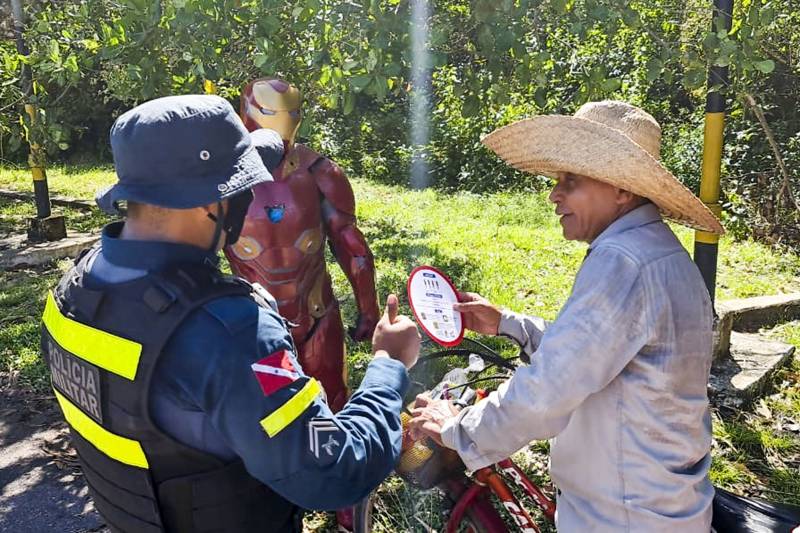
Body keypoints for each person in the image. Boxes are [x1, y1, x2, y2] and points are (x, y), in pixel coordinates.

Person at [40, 94, 420, 533]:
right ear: (210, 202)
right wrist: (388, 366)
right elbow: (333, 470)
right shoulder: (233, 333)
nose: (247, 197)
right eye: (241, 186)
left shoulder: (77, 288)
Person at [409, 100, 724, 532]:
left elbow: (548, 391)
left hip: (621, 516)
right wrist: (506, 323)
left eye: (570, 181)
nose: (555, 194)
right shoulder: (658, 251)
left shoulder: (623, 261)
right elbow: (598, 352)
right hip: (660, 502)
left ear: (621, 189)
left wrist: (459, 429)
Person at [227, 77, 380, 413]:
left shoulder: (320, 172)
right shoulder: (223, 178)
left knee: (330, 402)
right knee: (277, 411)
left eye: (292, 111)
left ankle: (330, 459)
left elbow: (352, 247)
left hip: (313, 312)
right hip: (258, 323)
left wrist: (369, 309)